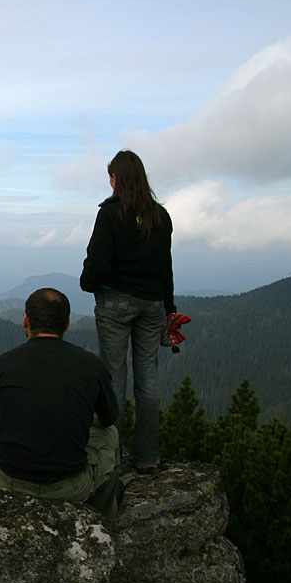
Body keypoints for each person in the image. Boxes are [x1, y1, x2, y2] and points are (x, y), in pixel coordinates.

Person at [0, 288, 121, 518]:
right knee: (110, 435)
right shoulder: (92, 365)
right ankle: (103, 520)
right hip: (72, 487)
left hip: (8, 484)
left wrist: (21, 452)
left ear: (26, 320)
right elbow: (108, 419)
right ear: (67, 323)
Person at [80, 150, 174, 474]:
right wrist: (169, 308)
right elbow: (165, 267)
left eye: (111, 176)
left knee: (113, 380)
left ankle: (113, 460)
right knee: (148, 381)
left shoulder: (110, 214)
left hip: (116, 303)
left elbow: (98, 261)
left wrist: (88, 283)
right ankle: (148, 458)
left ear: (116, 178)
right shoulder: (160, 216)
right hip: (152, 304)